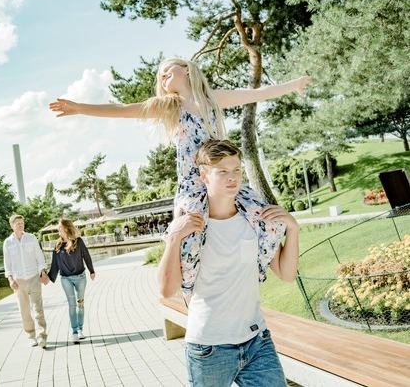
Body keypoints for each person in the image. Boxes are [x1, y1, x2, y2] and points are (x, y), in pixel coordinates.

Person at [49, 57, 309, 298]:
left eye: (166, 71)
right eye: (159, 77)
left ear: (186, 69)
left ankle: (260, 266)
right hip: (194, 187)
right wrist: (80, 107)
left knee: (268, 217)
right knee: (190, 235)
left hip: (224, 178)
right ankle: (190, 288)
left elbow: (255, 94)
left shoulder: (212, 100)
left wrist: (293, 84)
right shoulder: (169, 105)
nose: (162, 78)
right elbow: (124, 109)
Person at [157, 140, 299, 387]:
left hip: (257, 341)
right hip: (209, 348)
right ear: (204, 176)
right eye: (223, 171)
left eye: (236, 170)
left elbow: (286, 274)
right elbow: (167, 291)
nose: (232, 178)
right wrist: (173, 238)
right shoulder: (189, 229)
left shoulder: (255, 220)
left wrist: (293, 229)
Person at [3, 214, 50, 348]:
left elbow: (39, 256)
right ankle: (31, 335)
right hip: (18, 281)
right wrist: (10, 279)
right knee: (24, 310)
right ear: (12, 225)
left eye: (22, 223)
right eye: (18, 223)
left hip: (33, 277)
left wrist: (43, 273)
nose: (21, 225)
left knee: (38, 308)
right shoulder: (8, 242)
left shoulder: (31, 238)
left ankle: (42, 335)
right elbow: (7, 264)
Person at [47, 218, 96, 344]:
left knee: (80, 305)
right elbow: (55, 265)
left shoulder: (78, 242)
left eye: (59, 227)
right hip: (66, 279)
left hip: (80, 278)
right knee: (72, 305)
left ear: (66, 228)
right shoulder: (58, 245)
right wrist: (48, 278)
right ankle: (74, 332)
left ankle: (80, 330)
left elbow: (86, 255)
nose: (58, 229)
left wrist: (91, 270)